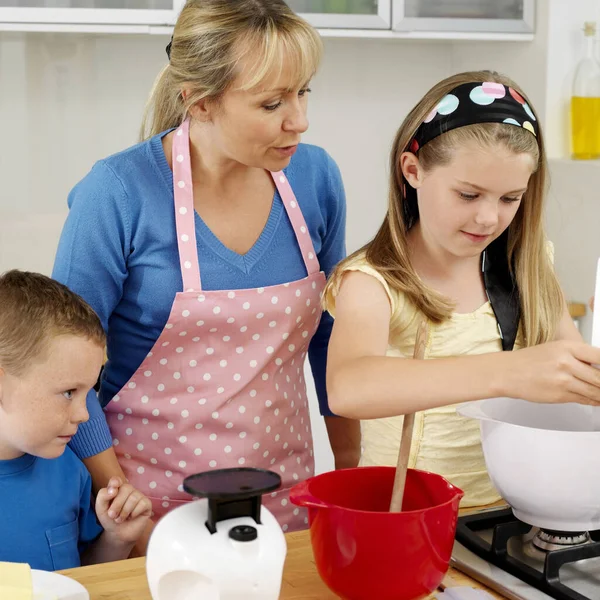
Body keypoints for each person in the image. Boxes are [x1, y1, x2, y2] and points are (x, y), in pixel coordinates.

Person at [52, 0, 360, 539]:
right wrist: (123, 506)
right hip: (144, 507)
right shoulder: (118, 193)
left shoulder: (315, 179)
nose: (299, 120)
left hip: (285, 501)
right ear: (199, 101)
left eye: (303, 91)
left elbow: (331, 342)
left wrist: (351, 479)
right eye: (271, 103)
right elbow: (64, 375)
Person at [323, 71, 600, 507]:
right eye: (469, 195)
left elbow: (573, 381)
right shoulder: (373, 281)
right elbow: (347, 388)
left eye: (510, 198)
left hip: (510, 519)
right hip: (411, 524)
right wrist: (510, 371)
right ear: (412, 171)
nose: (489, 218)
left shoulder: (527, 268)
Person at [0, 270, 152, 571]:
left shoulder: (72, 474)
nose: (84, 415)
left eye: (88, 392)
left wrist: (117, 538)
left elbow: (80, 576)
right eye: (69, 392)